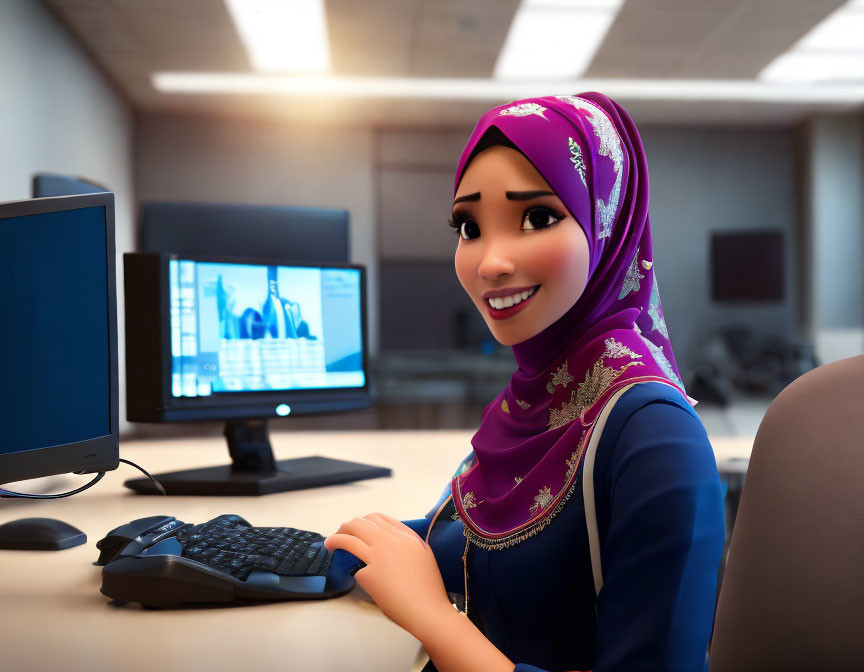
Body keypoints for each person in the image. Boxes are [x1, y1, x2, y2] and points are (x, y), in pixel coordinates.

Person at [325, 93, 725, 672]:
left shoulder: (654, 438)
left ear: (606, 221)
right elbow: (473, 545)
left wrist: (435, 621)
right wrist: (265, 552)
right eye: (469, 226)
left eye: (537, 217)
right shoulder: (537, 397)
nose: (490, 262)